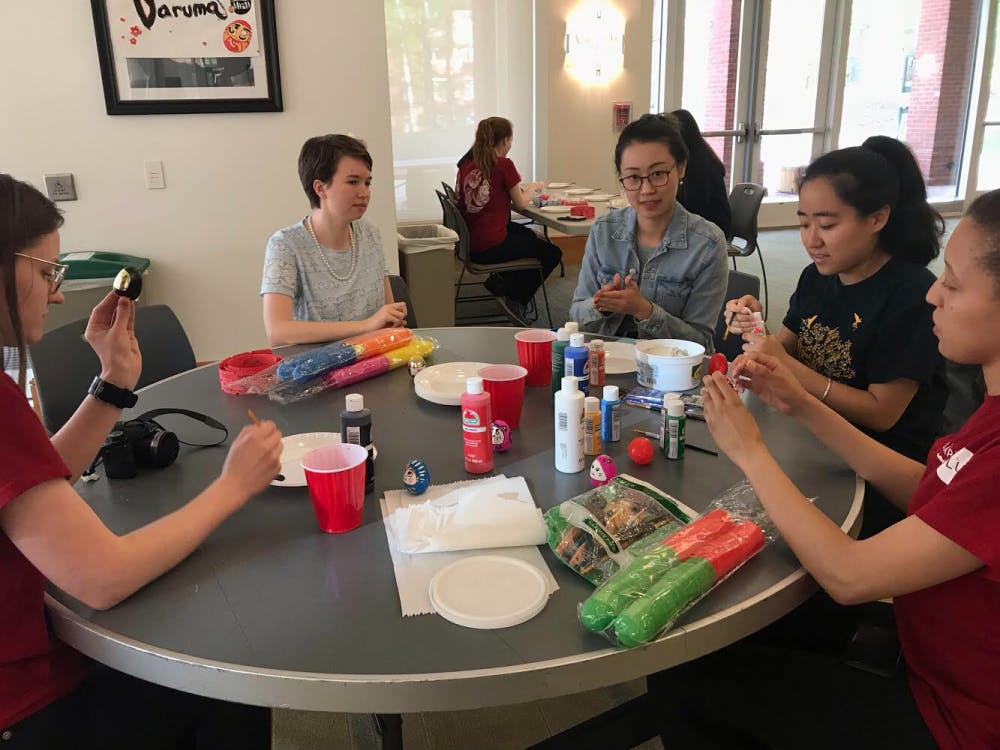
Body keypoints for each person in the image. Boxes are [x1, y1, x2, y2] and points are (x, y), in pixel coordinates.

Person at [646, 189, 1000, 750]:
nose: (933, 293)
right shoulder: (990, 411)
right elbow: (930, 491)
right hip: (924, 643)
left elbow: (849, 576)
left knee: (683, 674)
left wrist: (751, 452)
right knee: (709, 631)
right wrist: (801, 404)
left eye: (953, 283)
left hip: (952, 716)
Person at [0, 174, 279, 748]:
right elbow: (104, 578)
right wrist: (232, 487)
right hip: (25, 706)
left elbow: (32, 479)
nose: (58, 293)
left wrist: (112, 384)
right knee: (230, 680)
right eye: (46, 272)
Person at [725, 137, 946, 534]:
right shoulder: (818, 277)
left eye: (827, 224)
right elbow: (789, 345)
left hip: (875, 469)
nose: (811, 239)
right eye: (804, 222)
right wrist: (756, 328)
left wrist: (787, 368)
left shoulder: (912, 295)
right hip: (811, 439)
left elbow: (882, 413)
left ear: (878, 218)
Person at [569, 113, 728, 349]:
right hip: (604, 365)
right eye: (633, 177)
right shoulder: (603, 231)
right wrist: (599, 304)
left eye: (658, 174)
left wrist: (644, 310)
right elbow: (575, 313)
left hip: (670, 373)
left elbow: (700, 342)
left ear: (681, 168)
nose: (646, 189)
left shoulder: (707, 244)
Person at [262, 134, 406, 346]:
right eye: (353, 182)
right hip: (319, 369)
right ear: (320, 188)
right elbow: (277, 331)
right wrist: (367, 325)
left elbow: (389, 314)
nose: (364, 192)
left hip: (374, 359)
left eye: (367, 182)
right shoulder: (285, 244)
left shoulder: (370, 234)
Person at [455, 116, 562, 326]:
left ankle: (499, 282)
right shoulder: (503, 164)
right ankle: (514, 298)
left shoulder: (467, 163)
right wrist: (534, 187)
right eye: (510, 141)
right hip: (490, 244)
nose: (510, 146)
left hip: (472, 239)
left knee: (532, 235)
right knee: (552, 253)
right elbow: (521, 204)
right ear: (504, 141)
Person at [671, 108, 732, 239]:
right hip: (706, 220)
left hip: (713, 226)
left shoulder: (697, 164)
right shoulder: (700, 153)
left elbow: (694, 206)